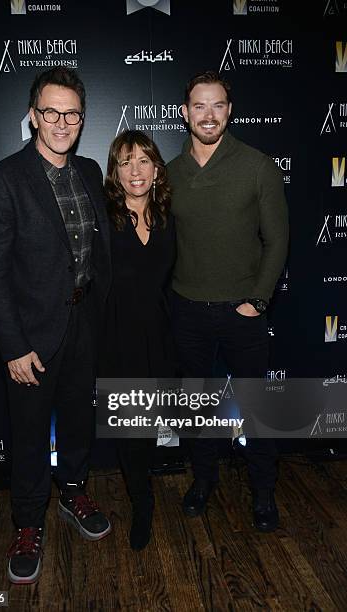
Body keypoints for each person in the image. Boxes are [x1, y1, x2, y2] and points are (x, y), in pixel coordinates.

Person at [0, 67, 111, 585]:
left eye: (71, 113)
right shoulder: (2, 180)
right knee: (30, 435)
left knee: (77, 421)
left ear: (81, 119)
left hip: (84, 322)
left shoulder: (92, 172)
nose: (61, 122)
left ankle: (73, 492)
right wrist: (12, 345)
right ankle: (28, 523)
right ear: (33, 116)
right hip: (30, 334)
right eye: (50, 112)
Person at [167, 71, 288, 531]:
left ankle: (263, 493)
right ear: (185, 113)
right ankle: (202, 482)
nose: (208, 115)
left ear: (229, 111)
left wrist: (257, 301)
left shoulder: (258, 166)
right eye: (199, 106)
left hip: (243, 312)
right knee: (196, 408)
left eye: (217, 105)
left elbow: (277, 241)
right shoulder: (170, 173)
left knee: (256, 408)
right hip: (188, 310)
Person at [101, 130, 175, 550]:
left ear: (156, 168)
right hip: (116, 334)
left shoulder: (167, 214)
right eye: (126, 161)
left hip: (160, 332)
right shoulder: (104, 214)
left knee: (148, 423)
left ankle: (144, 486)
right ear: (116, 168)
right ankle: (142, 502)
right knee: (130, 428)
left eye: (144, 161)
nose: (135, 170)